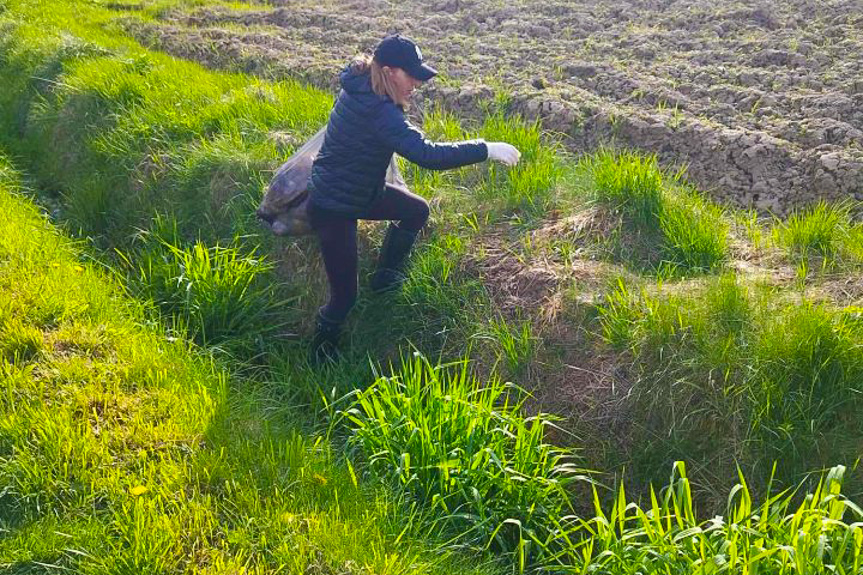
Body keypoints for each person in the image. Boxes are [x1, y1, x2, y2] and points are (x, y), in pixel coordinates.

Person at [307, 33, 521, 364]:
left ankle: (386, 278)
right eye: (411, 76)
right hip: (334, 206)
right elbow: (427, 155)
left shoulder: (362, 85)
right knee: (345, 297)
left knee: (416, 210)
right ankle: (321, 356)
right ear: (390, 71)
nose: (416, 86)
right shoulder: (379, 110)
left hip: (359, 192)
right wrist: (486, 149)